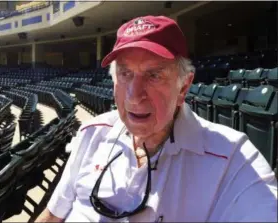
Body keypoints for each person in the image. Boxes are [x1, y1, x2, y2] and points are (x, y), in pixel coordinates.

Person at [35, 15, 277, 222]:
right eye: (125, 73)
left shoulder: (233, 159)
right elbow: (53, 214)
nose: (134, 95)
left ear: (184, 86)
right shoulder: (91, 133)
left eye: (154, 75)